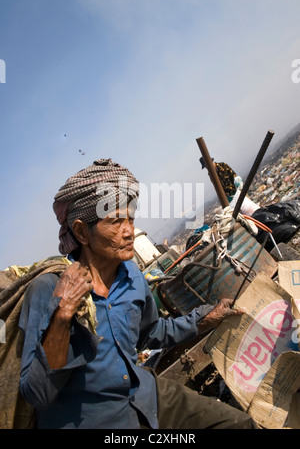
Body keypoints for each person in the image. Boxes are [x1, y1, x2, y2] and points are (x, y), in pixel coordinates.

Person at [19, 158, 257, 429]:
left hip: (144, 396)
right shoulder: (47, 289)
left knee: (238, 424)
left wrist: (204, 319)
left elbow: (149, 333)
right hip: (95, 420)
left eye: (130, 219)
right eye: (116, 222)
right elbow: (37, 394)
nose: (129, 232)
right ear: (82, 232)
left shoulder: (131, 274)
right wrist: (62, 315)